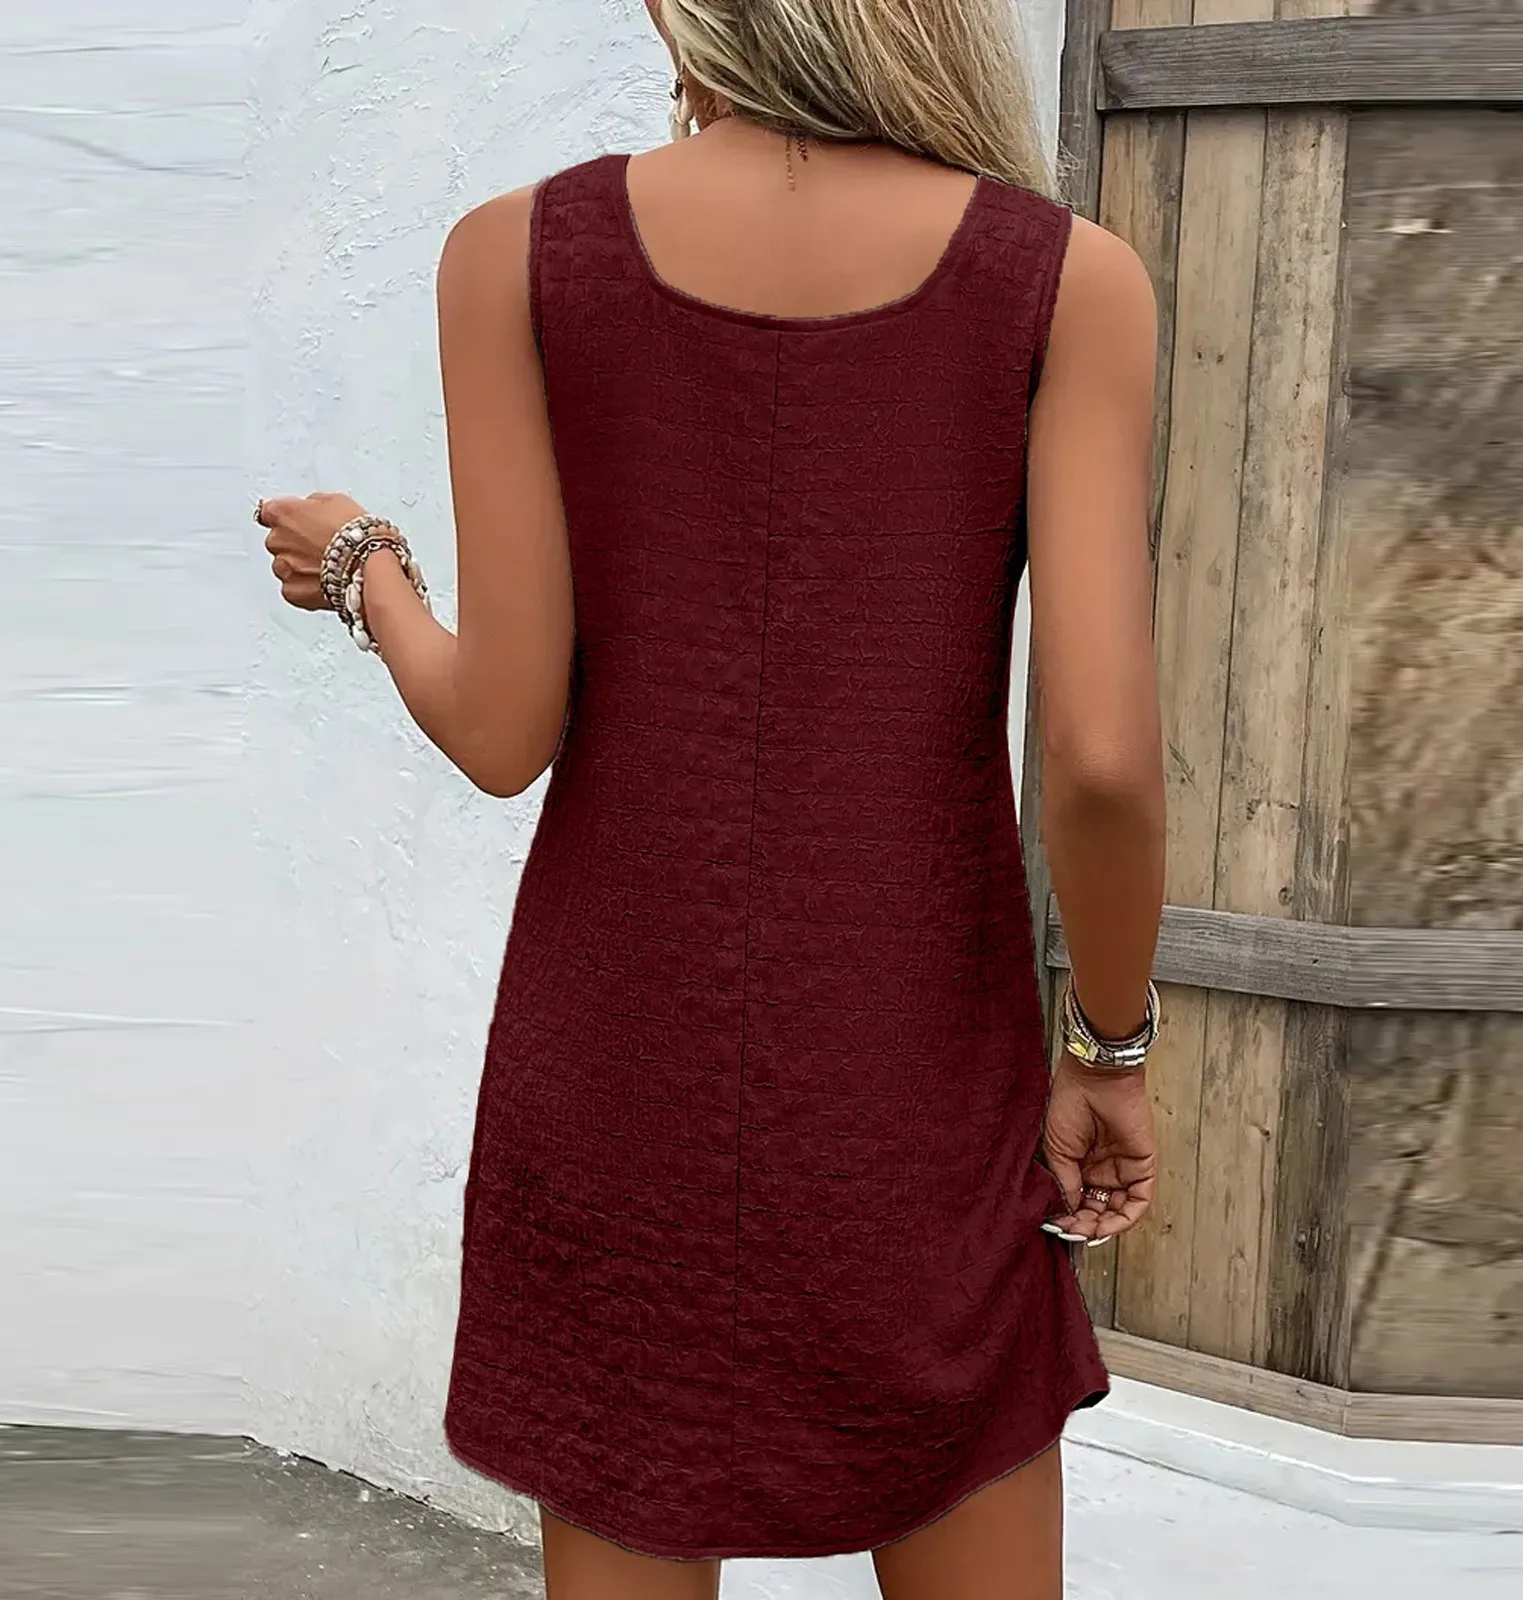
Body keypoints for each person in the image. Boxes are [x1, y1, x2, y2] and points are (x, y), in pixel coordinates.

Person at [257, 1, 1166, 1594]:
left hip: (616, 1070)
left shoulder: (513, 258)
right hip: (916, 1085)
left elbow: (504, 730)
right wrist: (1109, 1043)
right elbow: (1099, 758)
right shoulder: (1067, 280)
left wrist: (363, 568)